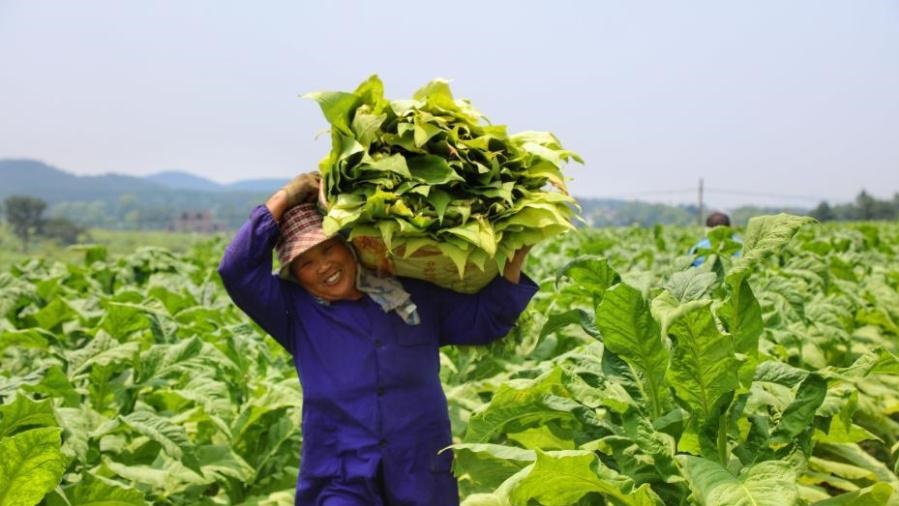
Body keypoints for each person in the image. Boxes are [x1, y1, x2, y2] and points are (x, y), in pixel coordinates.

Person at [217, 172, 538, 506]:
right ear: (295, 276)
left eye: (328, 249)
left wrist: (517, 252)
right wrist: (288, 195)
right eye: (306, 263)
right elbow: (235, 269)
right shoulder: (294, 311)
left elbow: (485, 321)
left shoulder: (410, 293)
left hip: (420, 471)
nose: (323, 266)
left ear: (350, 247)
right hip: (339, 477)